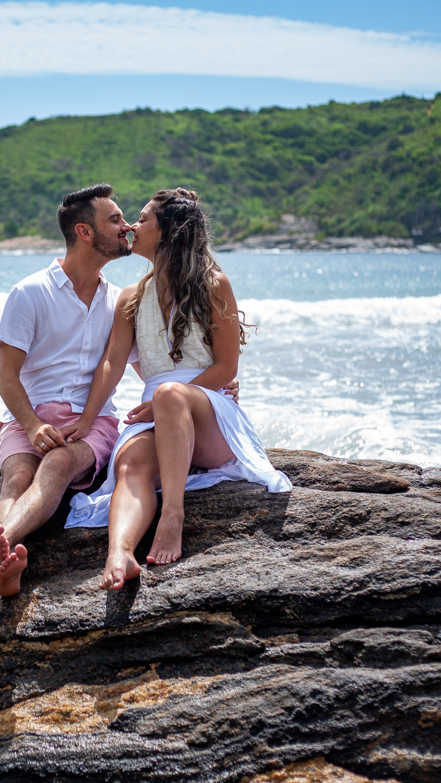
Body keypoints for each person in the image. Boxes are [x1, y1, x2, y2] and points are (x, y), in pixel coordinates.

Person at [62, 188, 291, 591]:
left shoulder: (213, 284)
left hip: (209, 415)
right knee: (130, 465)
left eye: (143, 219)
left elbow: (226, 366)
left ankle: (173, 516)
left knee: (168, 393)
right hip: (157, 411)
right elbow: (113, 363)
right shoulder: (131, 297)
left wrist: (162, 403)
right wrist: (85, 420)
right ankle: (120, 551)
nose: (132, 226)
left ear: (169, 232)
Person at [0, 184, 132, 597]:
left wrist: (217, 382)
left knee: (58, 464)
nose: (126, 226)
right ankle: (5, 563)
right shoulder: (29, 292)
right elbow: (6, 376)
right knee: (17, 478)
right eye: (115, 219)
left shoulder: (119, 303)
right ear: (84, 231)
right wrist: (31, 426)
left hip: (92, 421)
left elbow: (151, 362)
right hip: (29, 417)